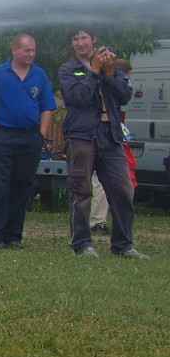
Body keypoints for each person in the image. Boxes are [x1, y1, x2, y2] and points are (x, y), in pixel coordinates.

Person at [58, 30, 145, 259]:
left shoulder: (110, 65)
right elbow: (77, 98)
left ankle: (123, 245)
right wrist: (94, 71)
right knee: (81, 191)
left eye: (83, 37)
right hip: (82, 136)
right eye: (75, 39)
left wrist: (108, 72)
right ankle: (82, 245)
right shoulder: (68, 69)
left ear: (93, 39)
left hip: (110, 135)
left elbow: (125, 96)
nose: (79, 43)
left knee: (123, 189)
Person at [0, 33, 55, 250]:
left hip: (30, 137)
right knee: (0, 185)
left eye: (33, 50)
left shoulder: (39, 75)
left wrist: (41, 133)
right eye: (26, 50)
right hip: (3, 135)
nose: (31, 54)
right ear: (14, 50)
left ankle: (14, 235)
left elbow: (47, 107)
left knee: (23, 186)